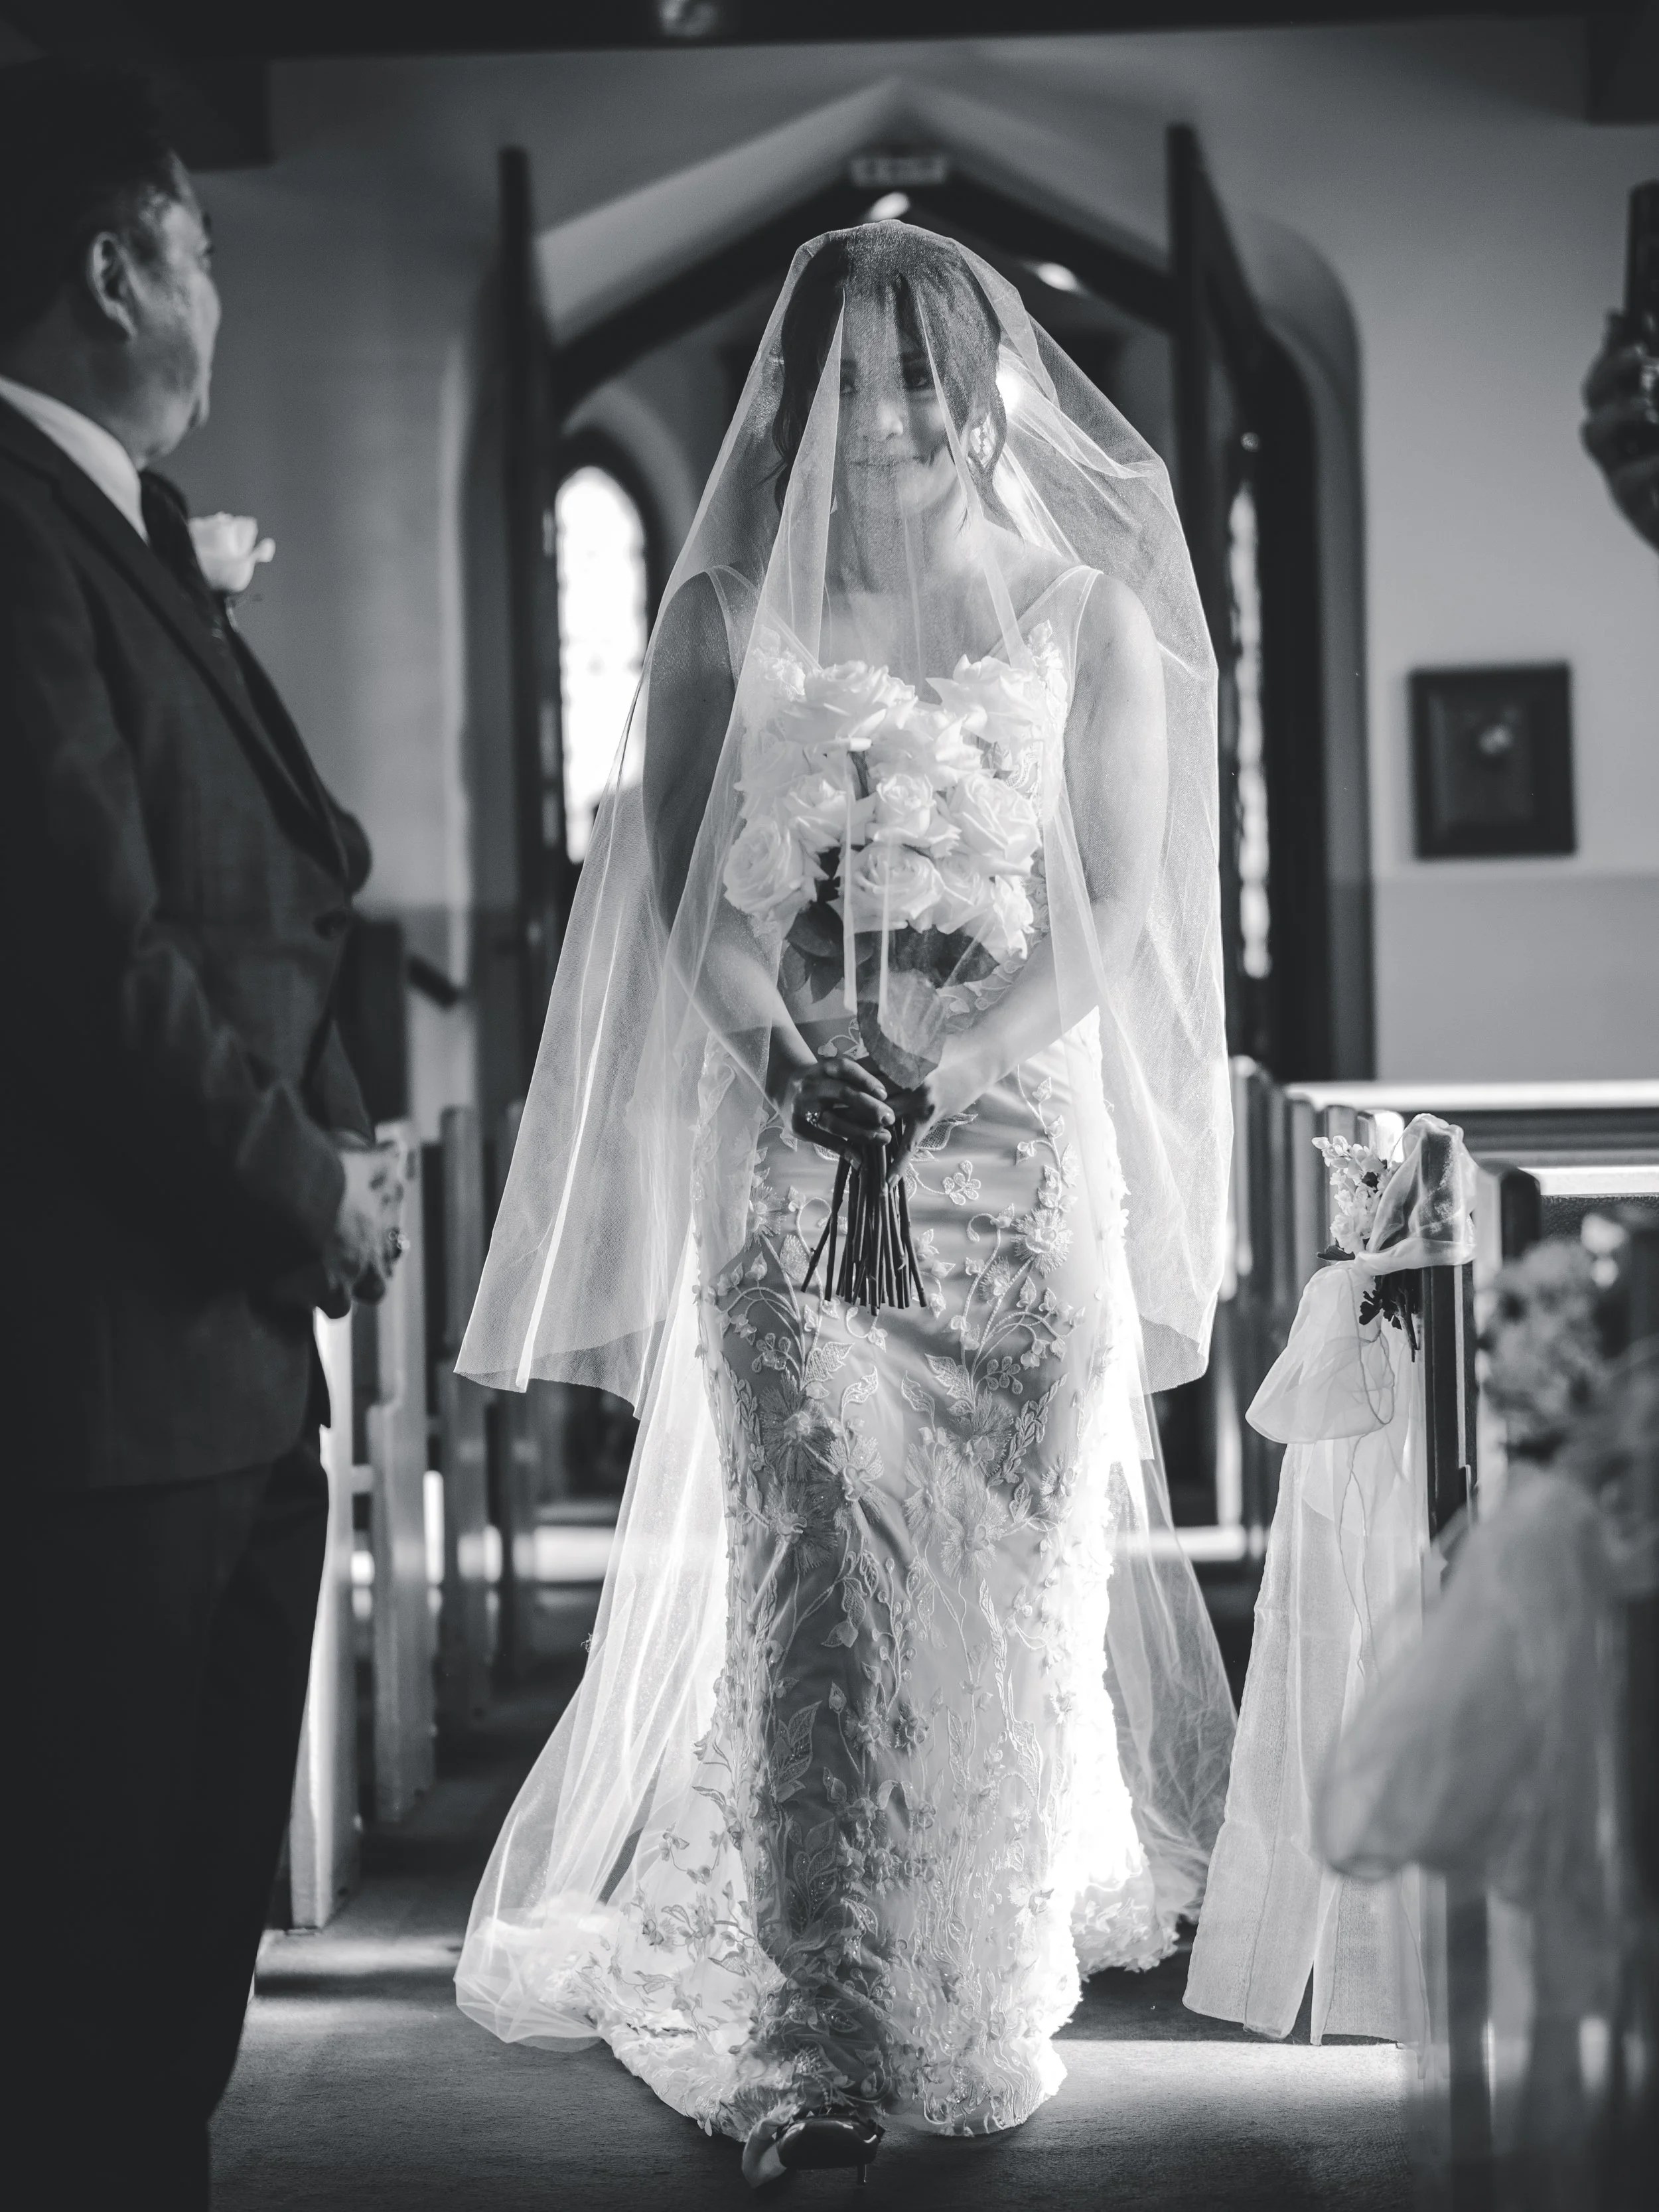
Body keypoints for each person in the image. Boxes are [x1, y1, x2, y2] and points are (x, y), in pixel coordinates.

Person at [454, 224, 1236, 2185]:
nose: (883, 415)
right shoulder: (725, 609)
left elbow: (1106, 925)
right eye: (847, 379)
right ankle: (816, 2023)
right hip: (794, 1162)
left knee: (990, 1589)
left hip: (1012, 1162)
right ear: (797, 394)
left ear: (982, 387)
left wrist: (942, 1070)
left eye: (919, 376)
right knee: (821, 1573)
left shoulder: (1087, 618)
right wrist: (793, 1060)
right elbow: (684, 911)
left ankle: (959, 1986)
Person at [0, 60, 403, 2207]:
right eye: (203, 250)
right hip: (95, 1382)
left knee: (180, 1948)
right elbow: (84, 955)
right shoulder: (13, 526)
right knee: (84, 1965)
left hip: (222, 1366)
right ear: (111, 266)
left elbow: (278, 889)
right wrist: (303, 1184)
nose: (217, 298)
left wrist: (337, 1135)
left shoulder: (119, 523)